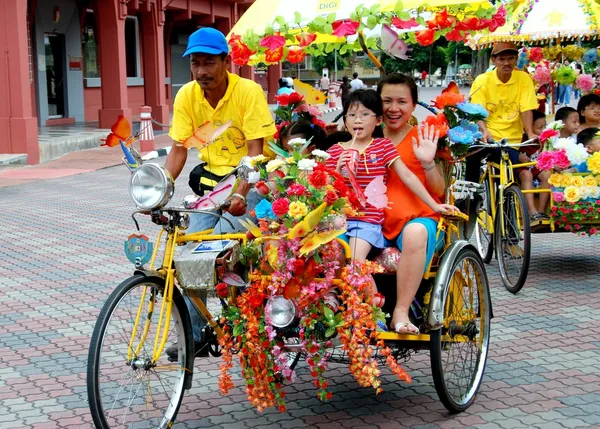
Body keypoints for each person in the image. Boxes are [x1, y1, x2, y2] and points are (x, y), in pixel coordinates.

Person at [163, 27, 276, 359]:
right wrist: (159, 192)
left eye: (208, 63)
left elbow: (255, 153)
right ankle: (196, 333)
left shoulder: (248, 92)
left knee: (223, 250)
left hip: (252, 181)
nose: (201, 72)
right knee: (186, 256)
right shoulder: (187, 95)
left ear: (226, 61)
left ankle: (242, 319)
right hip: (212, 186)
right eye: (195, 64)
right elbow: (179, 150)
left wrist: (241, 193)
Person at [325, 89, 457, 311]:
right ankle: (335, 297)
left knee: (356, 260)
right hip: (338, 221)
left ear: (378, 120)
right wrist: (337, 172)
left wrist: (434, 204)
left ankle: (374, 309)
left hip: (366, 220)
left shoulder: (382, 147)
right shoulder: (334, 151)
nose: (357, 120)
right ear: (344, 120)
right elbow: (325, 189)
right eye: (351, 115)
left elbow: (407, 176)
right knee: (331, 251)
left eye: (364, 115)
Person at [376, 73, 448, 334]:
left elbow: (439, 190)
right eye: (386, 101)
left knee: (415, 233)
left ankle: (401, 312)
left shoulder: (423, 136)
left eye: (401, 102)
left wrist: (428, 162)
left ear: (413, 105)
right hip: (374, 221)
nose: (393, 109)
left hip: (419, 220)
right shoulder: (366, 136)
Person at [517, 110, 551, 220]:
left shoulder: (545, 140)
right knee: (527, 175)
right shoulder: (519, 138)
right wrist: (519, 156)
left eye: (544, 127)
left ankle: (541, 211)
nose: (542, 131)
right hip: (522, 168)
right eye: (539, 128)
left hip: (537, 167)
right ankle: (532, 211)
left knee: (547, 175)